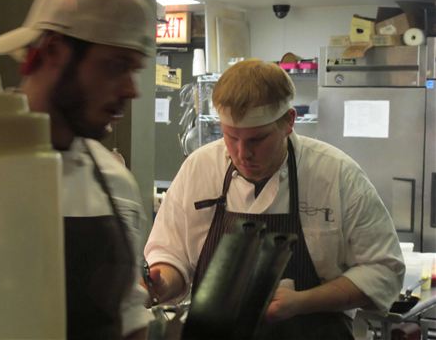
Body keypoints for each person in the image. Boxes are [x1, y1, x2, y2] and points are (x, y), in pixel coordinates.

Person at [144, 59, 405, 339]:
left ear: (289, 122)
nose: (242, 153)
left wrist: (303, 302)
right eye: (231, 137)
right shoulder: (199, 168)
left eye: (257, 140)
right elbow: (170, 253)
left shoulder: (335, 173)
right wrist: (161, 282)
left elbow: (384, 271)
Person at [0, 0, 154, 339]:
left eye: (134, 69)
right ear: (53, 52)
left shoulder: (114, 180)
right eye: (115, 65)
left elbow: (128, 310)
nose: (131, 90)